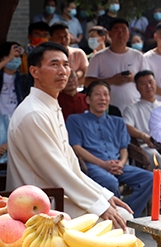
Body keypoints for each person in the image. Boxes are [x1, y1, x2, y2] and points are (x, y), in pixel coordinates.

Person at [7, 42, 134, 228]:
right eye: (54, 64)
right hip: (42, 204)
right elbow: (57, 171)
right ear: (34, 71)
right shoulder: (34, 113)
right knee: (119, 220)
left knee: (122, 212)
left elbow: (71, 165)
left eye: (66, 65)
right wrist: (99, 205)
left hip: (58, 194)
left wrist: (104, 196)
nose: (62, 71)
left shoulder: (48, 106)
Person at [66, 81, 154, 217]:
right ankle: (114, 217)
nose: (102, 98)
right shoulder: (75, 120)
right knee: (110, 182)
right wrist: (103, 164)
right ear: (88, 99)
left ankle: (128, 215)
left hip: (117, 165)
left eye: (106, 94)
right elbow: (76, 147)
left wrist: (121, 163)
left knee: (150, 178)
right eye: (98, 94)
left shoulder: (118, 121)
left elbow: (124, 148)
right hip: (93, 165)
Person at [84, 19, 148, 110]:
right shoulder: (98, 57)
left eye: (123, 30)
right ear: (109, 34)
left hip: (135, 108)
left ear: (128, 34)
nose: (120, 34)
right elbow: (87, 82)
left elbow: (148, 80)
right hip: (108, 109)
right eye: (117, 30)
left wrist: (134, 78)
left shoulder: (138, 56)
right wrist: (111, 80)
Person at [122, 70, 161, 170]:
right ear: (137, 87)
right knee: (157, 157)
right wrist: (144, 136)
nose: (148, 86)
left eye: (150, 82)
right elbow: (126, 126)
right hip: (145, 146)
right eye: (143, 84)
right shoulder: (132, 108)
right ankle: (159, 186)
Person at [0, 42, 31, 117]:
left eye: (17, 57)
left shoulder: (23, 79)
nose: (15, 59)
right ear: (2, 58)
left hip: (17, 120)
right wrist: (9, 59)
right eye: (13, 56)